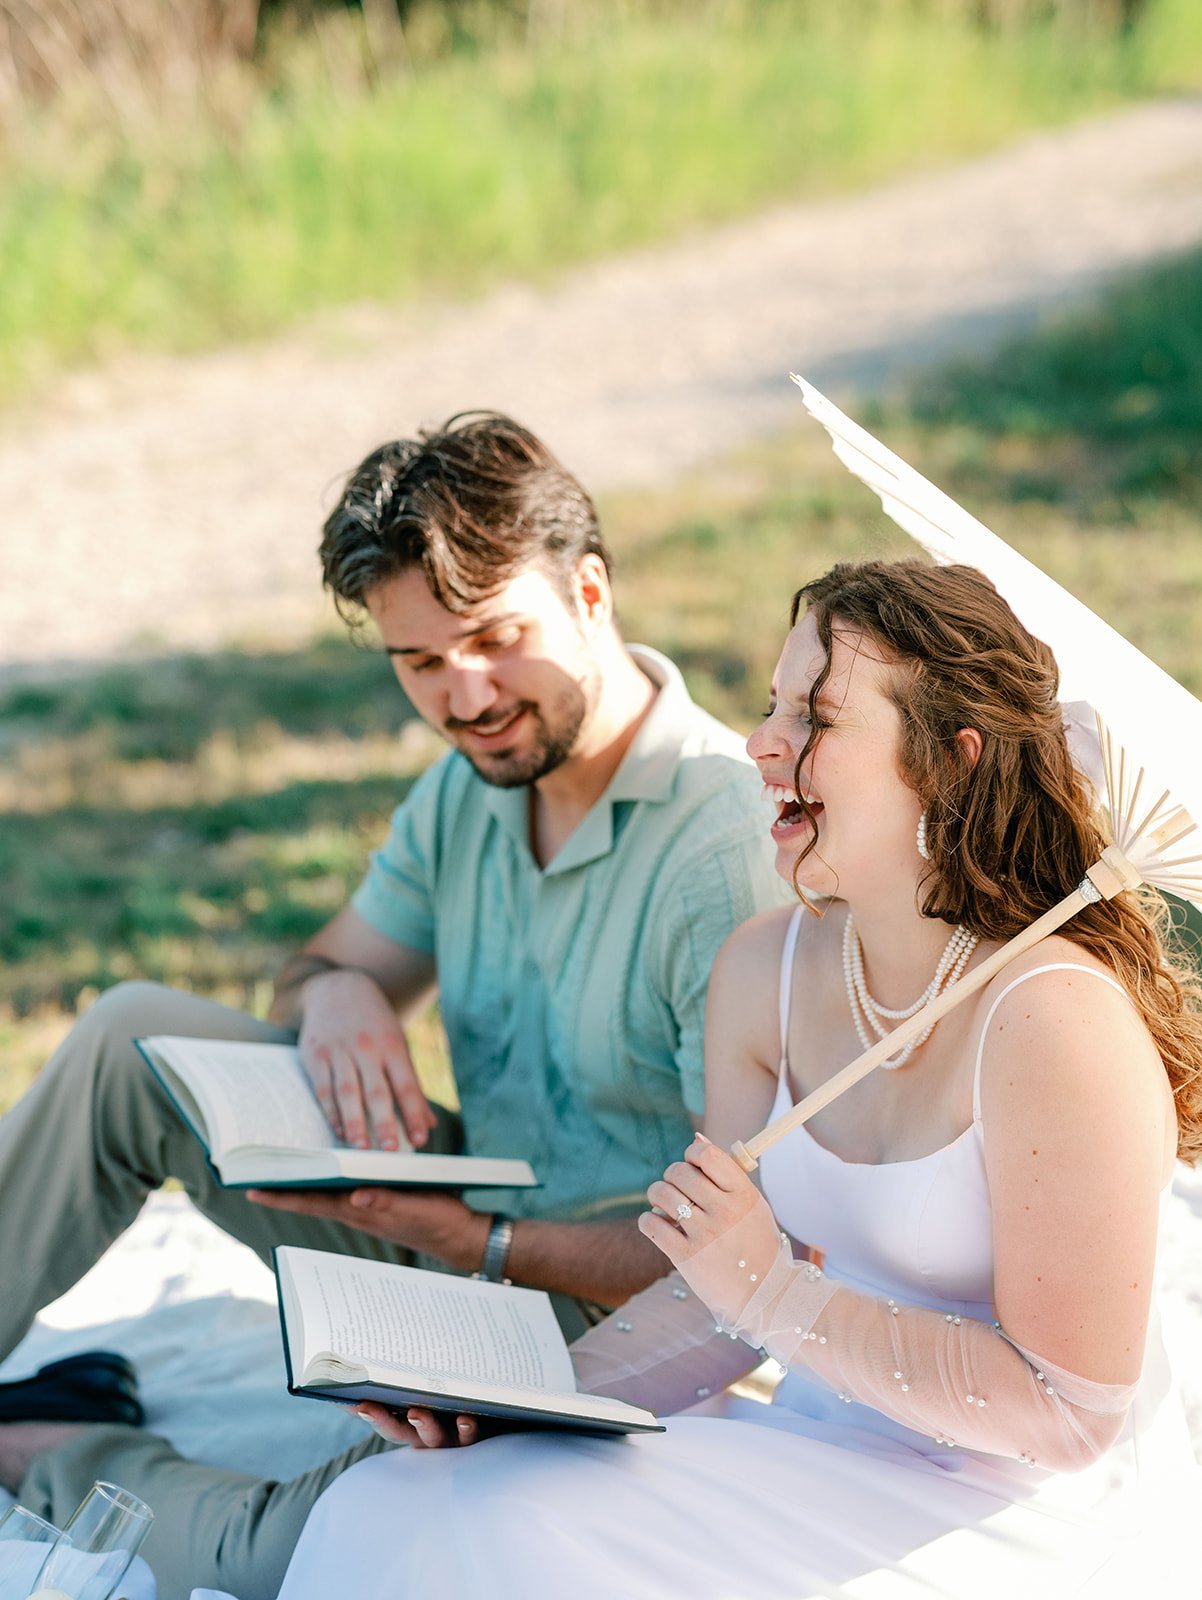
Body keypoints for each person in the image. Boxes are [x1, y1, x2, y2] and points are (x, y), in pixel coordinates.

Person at [263, 558, 1202, 1600]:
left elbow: (1067, 1414)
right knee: (402, 1496)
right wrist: (517, 1403)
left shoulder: (1053, 1021)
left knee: (508, 1535)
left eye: (816, 718)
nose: (761, 743)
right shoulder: (766, 967)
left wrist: (771, 1289)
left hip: (1012, 1512)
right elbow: (715, 1301)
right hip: (817, 1447)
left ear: (949, 761)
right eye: (771, 705)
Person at [0, 414, 786, 1600]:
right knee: (133, 1035)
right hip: (467, 1241)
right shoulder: (469, 789)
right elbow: (321, 964)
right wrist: (337, 995)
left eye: (494, 638)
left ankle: (51, 1451)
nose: (463, 695)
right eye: (417, 661)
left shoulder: (724, 849)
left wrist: (483, 1247)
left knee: (315, 1551)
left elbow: (741, 1261)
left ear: (589, 592)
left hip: (639, 1334)